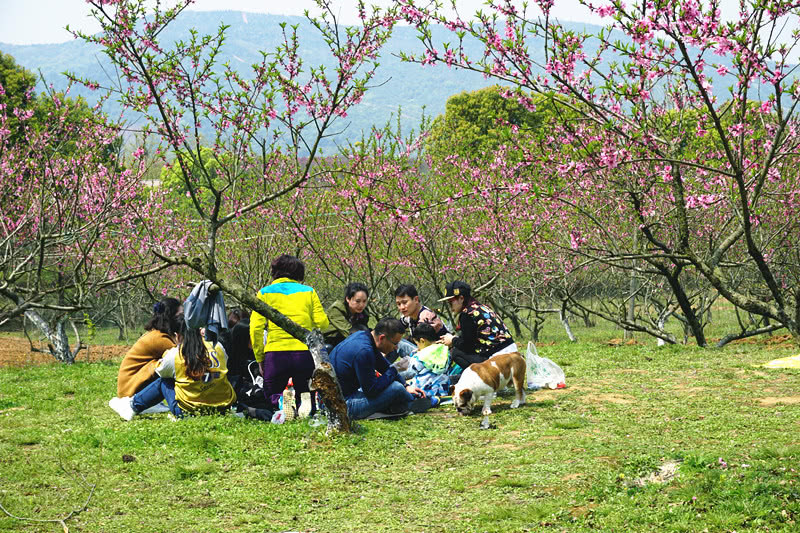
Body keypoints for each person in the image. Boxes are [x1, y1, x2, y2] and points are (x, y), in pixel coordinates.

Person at [109, 317, 237, 420]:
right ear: (199, 332)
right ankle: (131, 404)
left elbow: (161, 372)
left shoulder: (176, 354)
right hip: (223, 406)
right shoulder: (218, 346)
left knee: (165, 381)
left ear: (177, 336)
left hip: (190, 412)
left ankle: (132, 406)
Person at [249, 254, 329, 410]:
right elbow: (323, 323)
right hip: (303, 353)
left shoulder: (264, 293)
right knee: (305, 390)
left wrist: (260, 358)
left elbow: (255, 328)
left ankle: (281, 403)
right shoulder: (309, 292)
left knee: (272, 391)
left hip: (276, 353)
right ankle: (303, 404)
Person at [329, 317, 427, 420]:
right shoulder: (364, 351)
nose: (396, 348)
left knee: (397, 386)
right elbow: (372, 391)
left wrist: (406, 385)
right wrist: (395, 370)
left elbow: (384, 366)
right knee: (396, 388)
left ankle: (407, 401)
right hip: (341, 407)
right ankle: (413, 402)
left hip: (341, 396)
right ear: (382, 338)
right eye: (395, 343)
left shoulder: (364, 337)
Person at [438, 281, 517, 371]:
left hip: (498, 360)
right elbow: (472, 339)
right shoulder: (482, 307)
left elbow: (468, 346)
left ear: (461, 298)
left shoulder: (467, 314)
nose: (450, 306)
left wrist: (452, 340)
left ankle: (483, 380)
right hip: (513, 356)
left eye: (450, 302)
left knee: (456, 353)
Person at [116, 297, 182, 398]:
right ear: (170, 317)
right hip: (130, 390)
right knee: (171, 365)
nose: (182, 318)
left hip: (129, 387)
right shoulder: (159, 338)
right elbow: (183, 358)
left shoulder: (157, 333)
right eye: (179, 315)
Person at [322, 282, 371, 348]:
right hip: (328, 340)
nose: (362, 305)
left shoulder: (364, 312)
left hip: (346, 340)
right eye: (358, 301)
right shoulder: (337, 309)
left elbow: (364, 330)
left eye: (364, 301)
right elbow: (347, 331)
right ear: (348, 299)